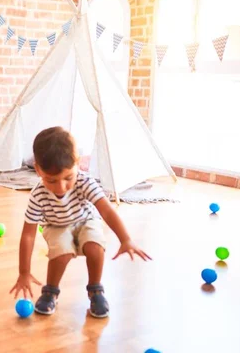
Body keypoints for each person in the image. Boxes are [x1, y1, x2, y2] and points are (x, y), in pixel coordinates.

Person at [9, 126, 151, 317]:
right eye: (51, 180)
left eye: (68, 177)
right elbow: (28, 234)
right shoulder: (37, 195)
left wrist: (125, 239)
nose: (61, 187)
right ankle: (51, 291)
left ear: (77, 164)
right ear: (38, 169)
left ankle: (96, 290)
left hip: (86, 220)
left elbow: (107, 211)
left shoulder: (85, 182)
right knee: (62, 254)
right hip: (56, 225)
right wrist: (24, 272)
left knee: (94, 247)